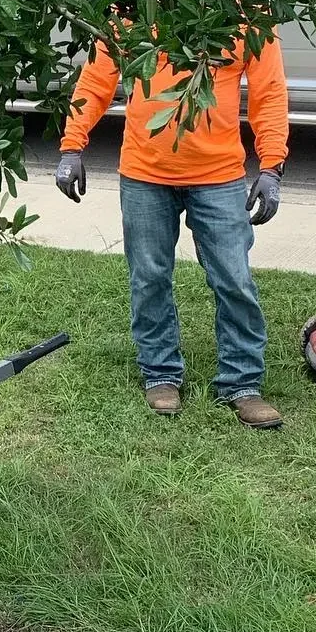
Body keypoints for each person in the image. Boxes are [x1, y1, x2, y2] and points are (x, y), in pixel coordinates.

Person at [54, 31, 288, 428]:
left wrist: (272, 165)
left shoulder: (248, 11)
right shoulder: (132, 6)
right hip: (144, 173)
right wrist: (72, 146)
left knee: (234, 279)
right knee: (149, 278)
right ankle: (160, 374)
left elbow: (269, 91)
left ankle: (242, 383)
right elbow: (96, 80)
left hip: (219, 176)